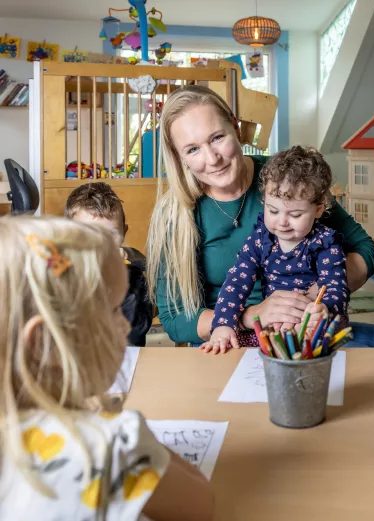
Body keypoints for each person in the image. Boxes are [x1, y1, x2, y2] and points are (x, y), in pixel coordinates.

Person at [0, 216, 214, 521]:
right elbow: (200, 504)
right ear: (44, 343)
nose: (126, 322)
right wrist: (118, 427)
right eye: (114, 309)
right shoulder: (110, 445)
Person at [146, 85, 374, 351]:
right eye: (192, 149)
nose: (212, 159)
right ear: (179, 156)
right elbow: (175, 320)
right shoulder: (174, 214)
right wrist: (251, 316)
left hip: (312, 327)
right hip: (230, 342)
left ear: (235, 127)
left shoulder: (287, 180)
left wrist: (316, 297)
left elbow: (367, 250)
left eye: (217, 137)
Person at [200, 146, 349, 353]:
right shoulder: (261, 240)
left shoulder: (325, 242)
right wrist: (223, 324)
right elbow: (236, 282)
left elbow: (335, 286)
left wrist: (323, 308)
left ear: (318, 210)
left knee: (318, 340)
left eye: (295, 215)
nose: (282, 222)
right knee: (248, 347)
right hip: (275, 322)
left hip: (315, 322)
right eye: (272, 210)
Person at [65, 182, 152, 346]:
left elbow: (135, 333)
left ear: (123, 233)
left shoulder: (133, 274)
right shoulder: (64, 275)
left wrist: (119, 281)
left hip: (125, 359)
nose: (101, 244)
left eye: (110, 234)